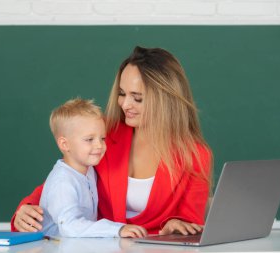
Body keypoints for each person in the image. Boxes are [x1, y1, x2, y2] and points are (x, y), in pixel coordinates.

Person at [11, 46, 213, 236]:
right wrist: (26, 208)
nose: (125, 104)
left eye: (137, 98)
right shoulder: (103, 134)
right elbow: (64, 180)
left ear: (166, 99)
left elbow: (190, 222)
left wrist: (178, 225)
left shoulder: (195, 155)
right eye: (122, 94)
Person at [39, 98, 147, 238]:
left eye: (102, 138)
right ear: (64, 144)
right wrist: (117, 230)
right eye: (89, 139)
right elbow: (70, 226)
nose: (99, 145)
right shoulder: (62, 182)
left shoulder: (88, 170)